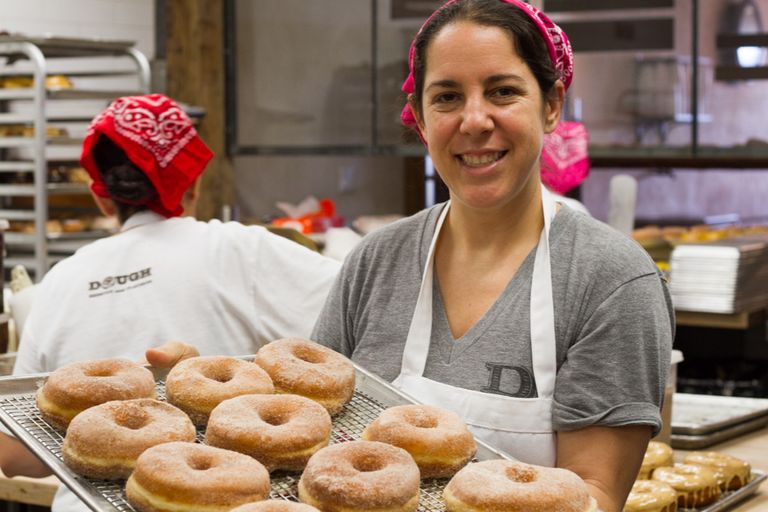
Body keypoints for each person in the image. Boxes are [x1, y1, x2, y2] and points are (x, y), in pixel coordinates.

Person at [311, 1, 673, 511]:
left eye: (503, 91)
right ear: (419, 117)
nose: (475, 120)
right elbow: (319, 445)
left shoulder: (609, 279)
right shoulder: (376, 262)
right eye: (447, 97)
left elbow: (592, 498)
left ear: (551, 105)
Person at [0, 94, 340, 512]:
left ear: (102, 198)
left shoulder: (61, 279)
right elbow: (361, 312)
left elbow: (17, 457)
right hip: (218, 498)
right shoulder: (240, 249)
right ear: (193, 183)